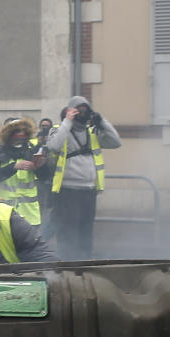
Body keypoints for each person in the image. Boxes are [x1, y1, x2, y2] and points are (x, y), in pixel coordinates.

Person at [44, 96, 121, 260]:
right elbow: (53, 146)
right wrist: (67, 121)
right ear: (70, 111)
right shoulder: (58, 129)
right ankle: (67, 262)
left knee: (85, 230)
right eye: (79, 109)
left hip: (88, 191)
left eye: (86, 109)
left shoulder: (92, 132)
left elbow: (116, 142)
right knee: (67, 230)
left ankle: (85, 261)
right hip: (67, 191)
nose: (83, 113)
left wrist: (102, 122)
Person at [0, 117, 47, 227]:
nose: (19, 138)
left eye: (22, 134)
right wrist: (14, 167)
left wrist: (41, 167)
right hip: (1, 212)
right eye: (15, 133)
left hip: (28, 215)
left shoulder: (33, 151)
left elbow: (45, 177)